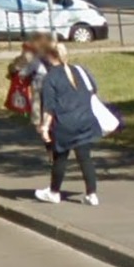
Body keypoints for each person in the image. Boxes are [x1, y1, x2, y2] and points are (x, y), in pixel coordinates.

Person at [32, 41, 105, 206]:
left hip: (64, 124)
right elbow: (93, 90)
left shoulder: (50, 78)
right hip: (85, 120)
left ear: (50, 56)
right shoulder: (79, 70)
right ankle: (92, 195)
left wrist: (44, 128)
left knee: (60, 158)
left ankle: (54, 192)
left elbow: (49, 107)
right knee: (85, 158)